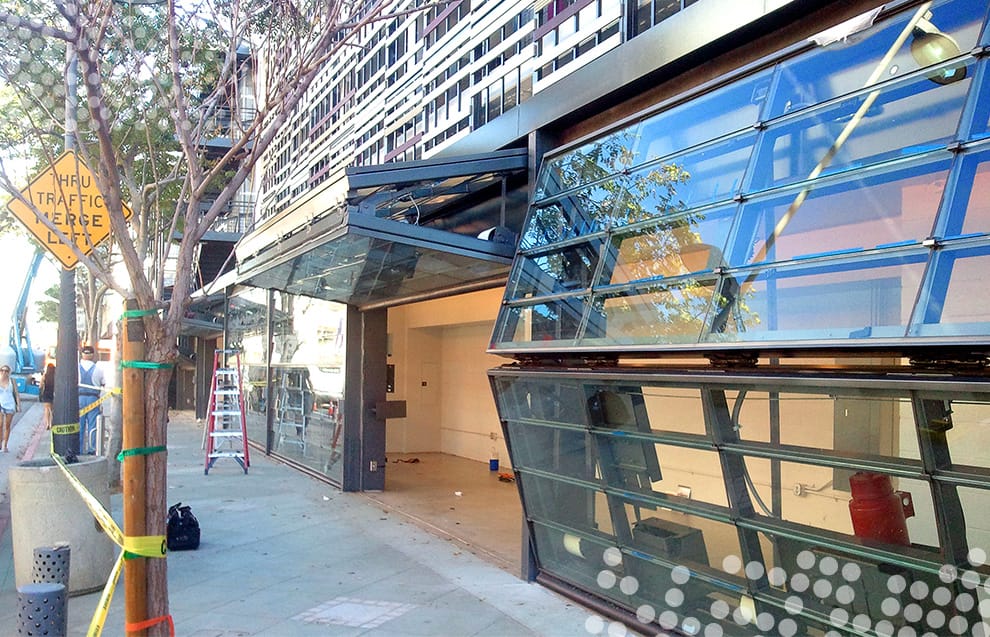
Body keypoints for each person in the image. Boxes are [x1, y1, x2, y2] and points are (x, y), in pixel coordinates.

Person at [78, 346, 104, 454]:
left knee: (79, 426)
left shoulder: (76, 368)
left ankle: (78, 449)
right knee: (93, 425)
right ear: (92, 355)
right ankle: (92, 449)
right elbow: (103, 384)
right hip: (93, 399)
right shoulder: (98, 369)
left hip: (79, 398)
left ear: (82, 355)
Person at [0, 364, 21, 452]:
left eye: (6, 371)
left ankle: (5, 445)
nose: (4, 372)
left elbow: (16, 393)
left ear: (9, 372)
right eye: (2, 370)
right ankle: (0, 444)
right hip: (0, 404)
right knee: (0, 425)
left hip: (10, 405)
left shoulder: (12, 381)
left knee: (7, 425)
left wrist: (18, 405)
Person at [40, 363, 55, 430]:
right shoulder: (55, 376)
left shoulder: (45, 376)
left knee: (46, 409)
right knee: (51, 409)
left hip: (46, 393)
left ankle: (47, 423)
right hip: (53, 393)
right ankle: (51, 423)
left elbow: (40, 385)